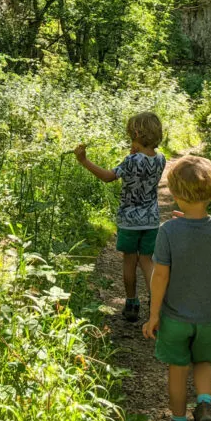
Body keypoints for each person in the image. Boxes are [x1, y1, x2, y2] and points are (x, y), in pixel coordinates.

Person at [142, 155, 211, 421]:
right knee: (203, 363)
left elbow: (160, 276)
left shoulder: (169, 231)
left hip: (175, 318)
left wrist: (154, 314)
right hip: (208, 316)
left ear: (176, 195)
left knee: (178, 369)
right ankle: (205, 406)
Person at [74, 112, 166, 322]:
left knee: (129, 260)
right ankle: (156, 303)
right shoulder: (161, 158)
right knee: (147, 260)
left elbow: (108, 177)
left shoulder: (131, 160)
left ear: (135, 133)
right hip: (151, 219)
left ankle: (132, 303)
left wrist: (83, 161)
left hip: (129, 220)